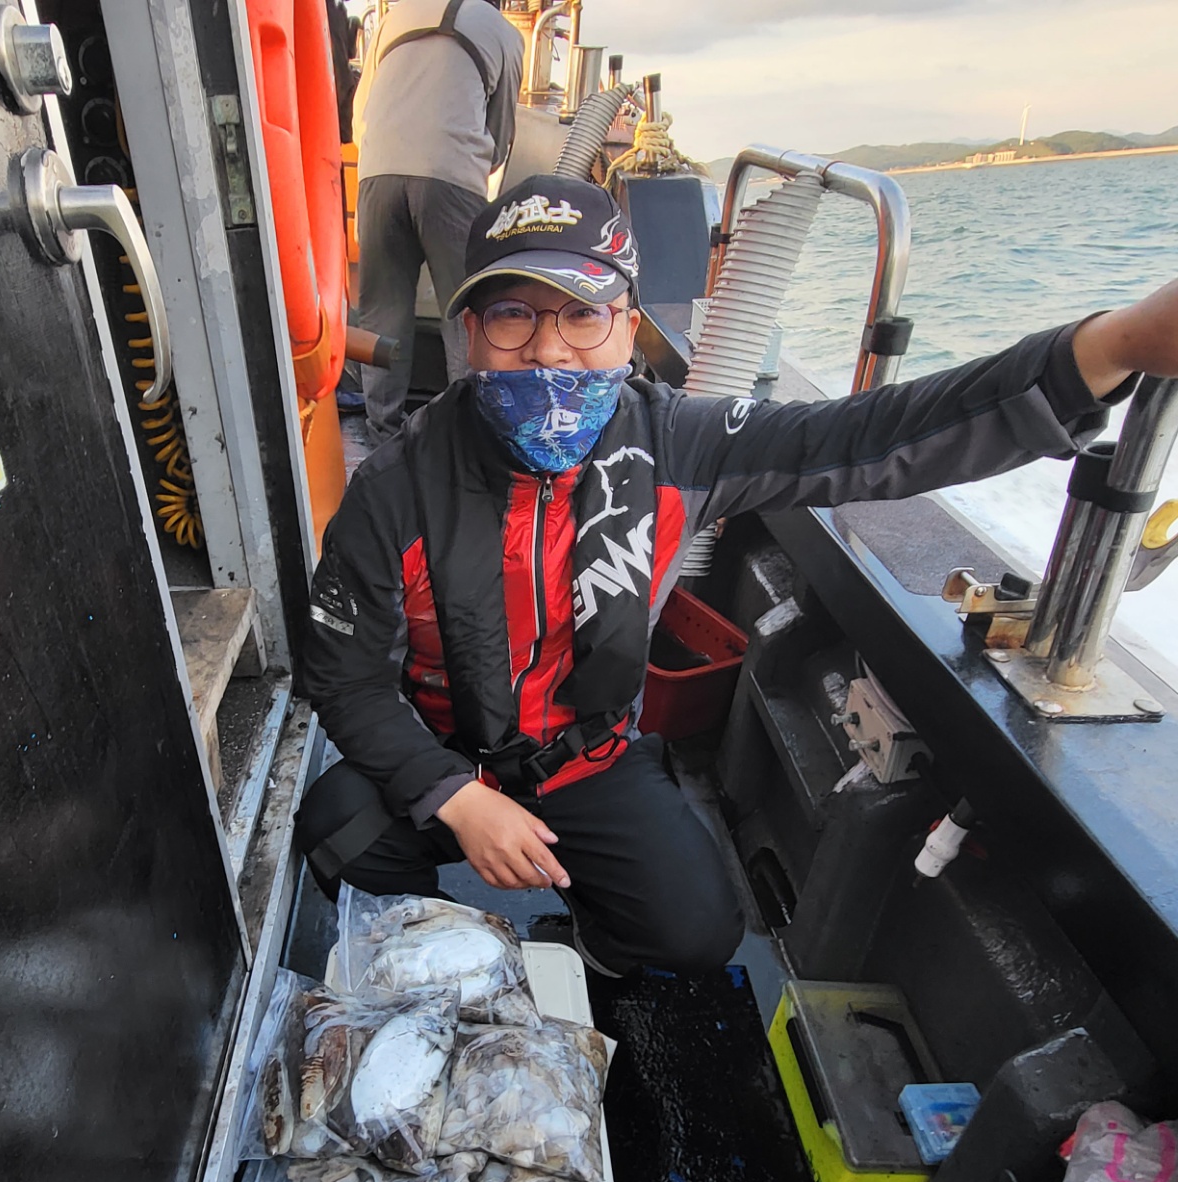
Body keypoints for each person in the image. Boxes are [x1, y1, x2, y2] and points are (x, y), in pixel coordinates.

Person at [296, 175, 1178, 978]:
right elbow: (345, 677)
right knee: (340, 831)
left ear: (628, 325)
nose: (549, 351)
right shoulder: (395, 486)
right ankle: (439, 962)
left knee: (692, 934)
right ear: (469, 332)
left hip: (588, 761)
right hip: (449, 752)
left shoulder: (678, 442)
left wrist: (1118, 344)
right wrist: (455, 797)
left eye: (583, 314)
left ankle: (580, 953)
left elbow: (871, 436)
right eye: (512, 316)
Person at [351, 0, 526, 445]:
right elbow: (501, 134)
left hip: (377, 172)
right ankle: (461, 436)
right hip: (452, 176)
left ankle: (382, 434)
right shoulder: (503, 33)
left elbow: (360, 115)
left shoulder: (392, 19)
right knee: (464, 311)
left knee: (381, 311)